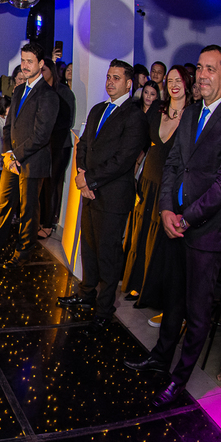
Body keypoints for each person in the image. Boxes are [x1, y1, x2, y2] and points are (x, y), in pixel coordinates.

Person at [124, 45, 221, 407]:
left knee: (196, 311)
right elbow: (173, 164)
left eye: (211, 69)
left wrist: (187, 217)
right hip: (175, 221)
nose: (203, 75)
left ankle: (179, 380)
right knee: (173, 300)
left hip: (205, 232)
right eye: (200, 68)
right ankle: (160, 358)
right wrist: (166, 208)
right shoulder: (192, 112)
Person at [58, 60, 149, 329]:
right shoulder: (98, 109)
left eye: (116, 78)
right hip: (90, 193)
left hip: (113, 197)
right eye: (109, 77)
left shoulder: (135, 116)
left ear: (129, 83)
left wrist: (89, 179)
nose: (110, 82)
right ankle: (86, 295)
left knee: (108, 254)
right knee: (89, 248)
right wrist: (82, 175)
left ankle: (104, 307)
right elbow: (83, 145)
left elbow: (123, 159)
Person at [0, 42, 59, 264]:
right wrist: (8, 153)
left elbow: (41, 135)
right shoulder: (18, 90)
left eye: (30, 61)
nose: (25, 66)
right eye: (23, 61)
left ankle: (23, 253)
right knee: (3, 204)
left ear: (41, 63)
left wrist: (16, 155)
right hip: (12, 159)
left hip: (33, 161)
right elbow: (9, 126)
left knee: (28, 210)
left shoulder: (48, 95)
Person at [123, 65, 192, 308]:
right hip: (147, 179)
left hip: (169, 185)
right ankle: (135, 283)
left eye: (178, 80)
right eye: (170, 80)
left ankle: (151, 292)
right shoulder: (156, 109)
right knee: (140, 233)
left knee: (158, 240)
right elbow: (141, 143)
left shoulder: (192, 116)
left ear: (187, 84)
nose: (174, 85)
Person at [39, 62, 75, 238]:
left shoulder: (64, 91)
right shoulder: (40, 90)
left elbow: (67, 121)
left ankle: (48, 224)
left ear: (51, 71)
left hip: (60, 145)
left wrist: (46, 129)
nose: (40, 73)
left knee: (52, 183)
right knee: (42, 183)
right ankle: (39, 221)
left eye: (43, 70)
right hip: (43, 145)